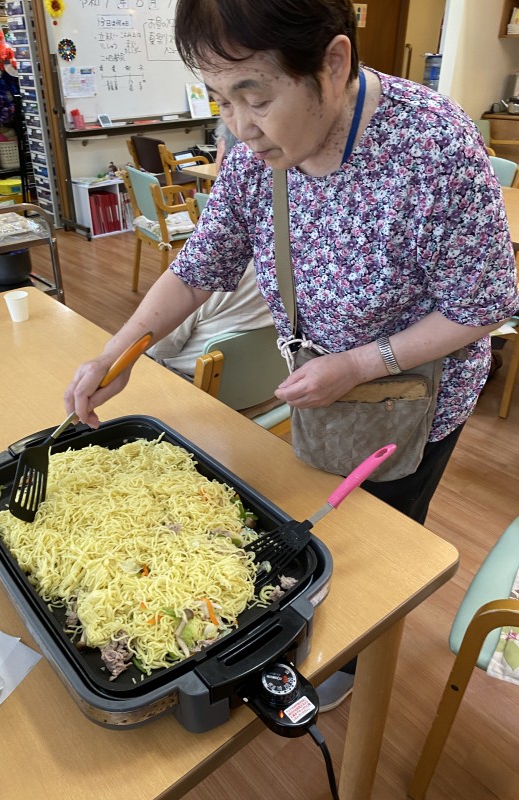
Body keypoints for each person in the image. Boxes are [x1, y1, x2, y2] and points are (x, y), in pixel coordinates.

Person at [64, 0, 519, 710]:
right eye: (220, 100)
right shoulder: (256, 151)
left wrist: (360, 364)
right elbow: (201, 266)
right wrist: (115, 354)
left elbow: (482, 306)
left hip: (413, 400)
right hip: (319, 384)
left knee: (382, 541)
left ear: (333, 64)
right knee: (318, 521)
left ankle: (356, 658)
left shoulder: (434, 146)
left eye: (256, 97)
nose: (239, 128)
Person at [147, 120, 273, 379]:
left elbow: (159, 346)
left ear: (225, 155)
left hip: (198, 384)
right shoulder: (307, 245)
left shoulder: (213, 266)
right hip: (276, 383)